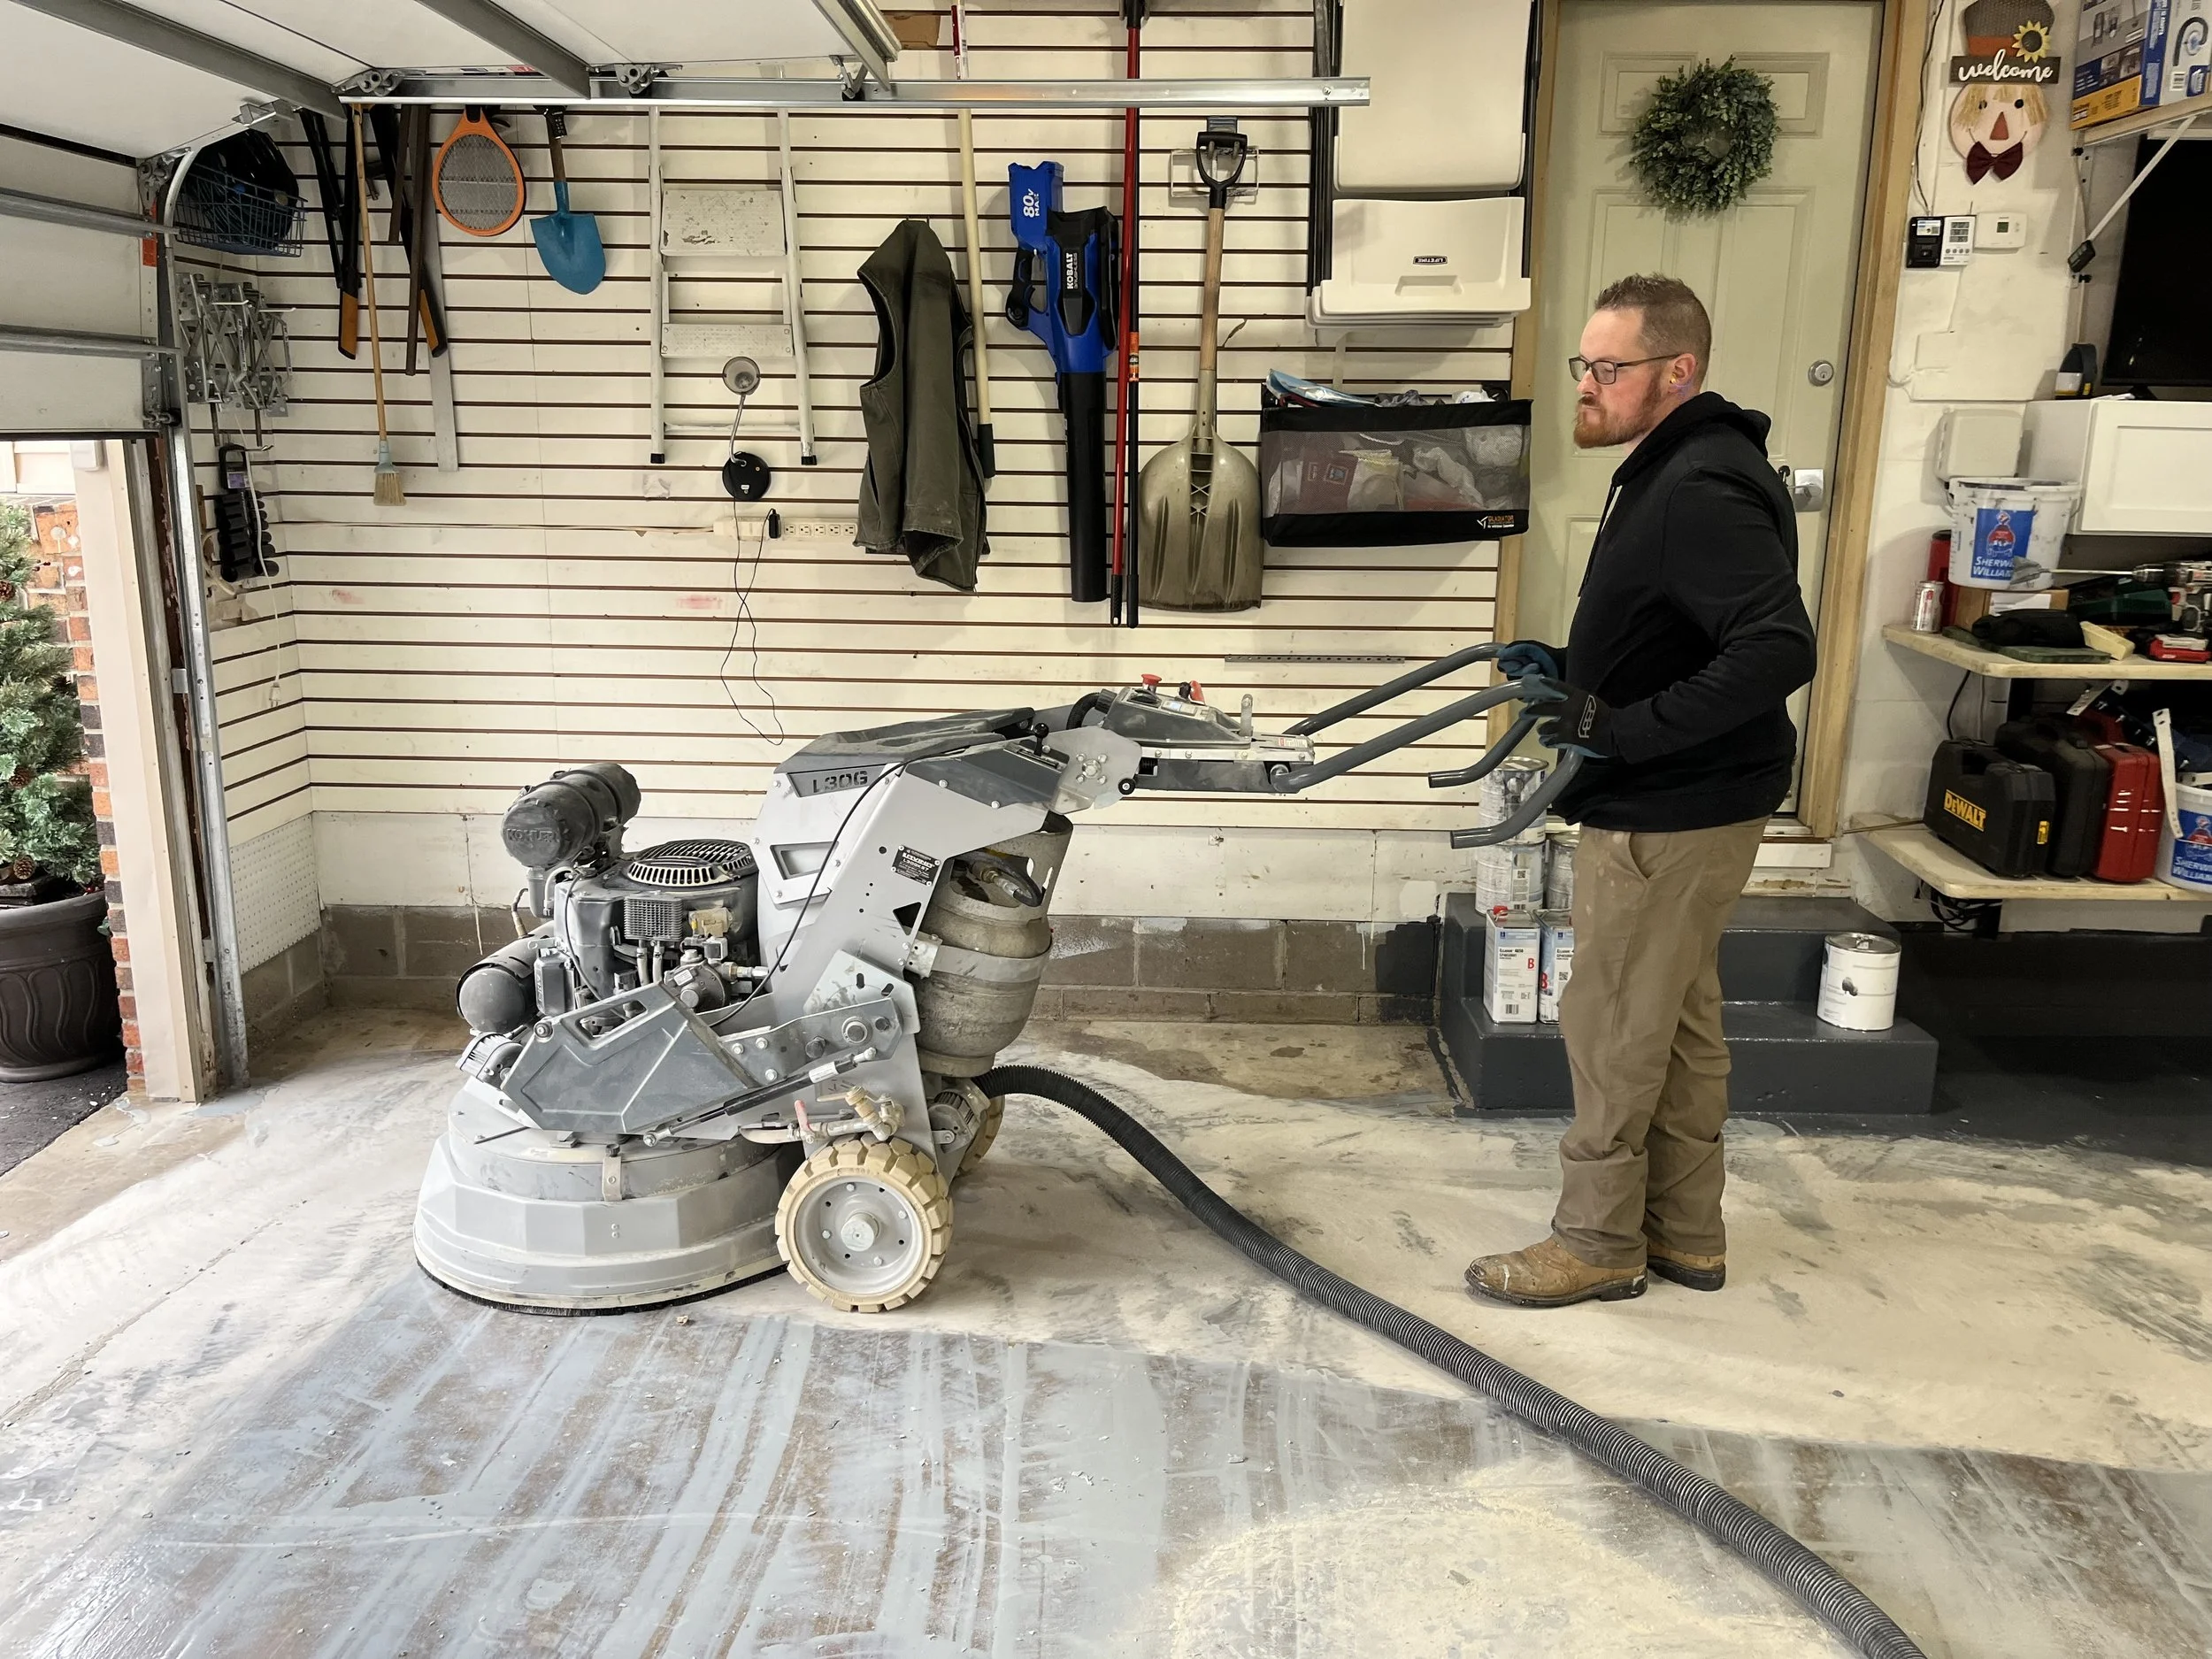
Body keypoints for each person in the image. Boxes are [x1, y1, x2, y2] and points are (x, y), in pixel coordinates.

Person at [1464, 273, 1817, 1309]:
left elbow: (1774, 647)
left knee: (1612, 1019)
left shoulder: (1697, 484)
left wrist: (1624, 733)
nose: (1587, 385)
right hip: (1696, 800)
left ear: (1679, 370)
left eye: (1607, 369)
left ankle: (1597, 1240)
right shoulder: (1671, 467)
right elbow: (1673, 627)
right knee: (1677, 1022)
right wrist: (1577, 669)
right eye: (1584, 364)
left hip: (1671, 809)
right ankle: (1685, 1233)